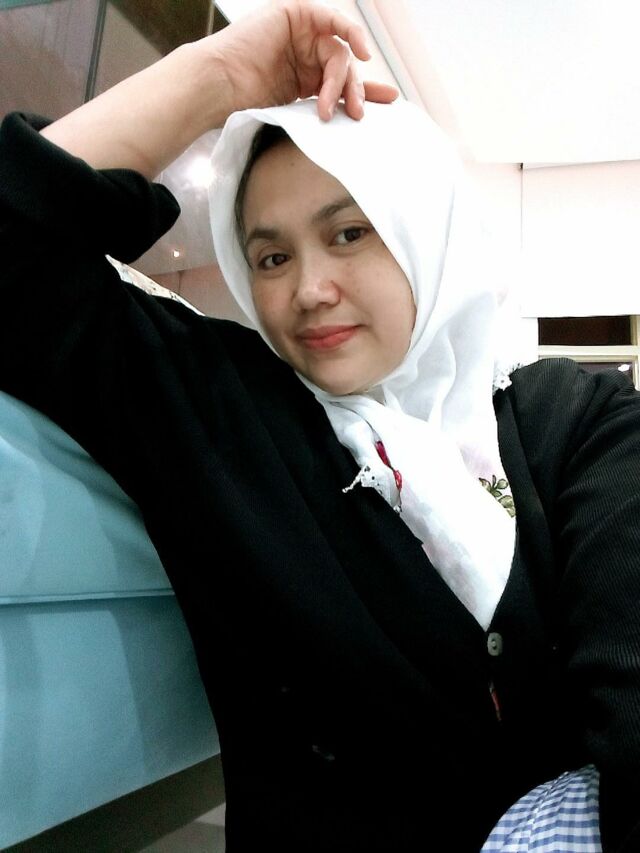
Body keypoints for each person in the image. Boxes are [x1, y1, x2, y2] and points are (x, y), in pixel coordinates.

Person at [0, 1, 639, 850]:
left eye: (348, 232)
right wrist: (219, 76)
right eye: (271, 256)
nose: (307, 290)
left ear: (427, 234)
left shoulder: (574, 421)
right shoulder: (225, 412)